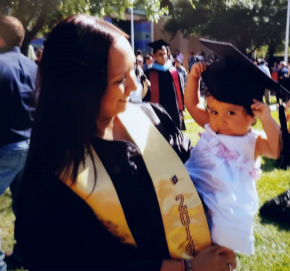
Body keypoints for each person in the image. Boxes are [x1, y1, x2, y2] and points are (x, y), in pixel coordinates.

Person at [15, 15, 236, 271]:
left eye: (133, 68)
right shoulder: (55, 170)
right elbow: (82, 259)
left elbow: (197, 172)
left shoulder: (152, 117)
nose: (134, 85)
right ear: (81, 89)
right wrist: (188, 269)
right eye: (119, 80)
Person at [184, 39, 290, 255]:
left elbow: (278, 149)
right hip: (195, 199)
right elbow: (192, 105)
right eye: (214, 111)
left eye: (230, 113)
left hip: (227, 212)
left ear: (252, 116)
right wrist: (193, 78)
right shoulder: (211, 127)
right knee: (194, 246)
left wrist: (268, 120)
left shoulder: (252, 142)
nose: (219, 119)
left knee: (221, 253)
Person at [0, 15, 37, 270]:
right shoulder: (35, 67)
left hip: (6, 147)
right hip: (32, 146)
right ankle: (25, 255)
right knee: (26, 206)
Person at [144, 39, 186, 130]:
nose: (163, 57)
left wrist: (182, 109)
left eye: (165, 54)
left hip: (173, 111)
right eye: (160, 54)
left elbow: (179, 91)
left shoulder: (173, 71)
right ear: (154, 55)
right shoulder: (149, 73)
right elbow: (146, 96)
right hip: (157, 111)